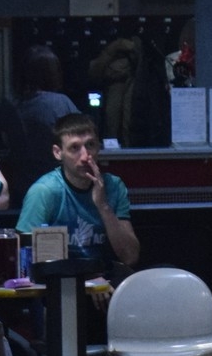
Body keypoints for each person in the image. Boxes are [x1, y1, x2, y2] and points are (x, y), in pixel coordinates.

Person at [16, 113, 140, 279]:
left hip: (105, 278)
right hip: (59, 280)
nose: (85, 157)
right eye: (74, 148)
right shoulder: (44, 191)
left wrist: (103, 206)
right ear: (58, 152)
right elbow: (24, 258)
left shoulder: (114, 186)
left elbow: (130, 256)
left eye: (90, 145)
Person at [0, 45, 78, 202]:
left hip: (22, 188)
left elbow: (5, 141)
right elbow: (81, 139)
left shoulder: (10, 104)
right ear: (53, 73)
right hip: (58, 188)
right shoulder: (63, 103)